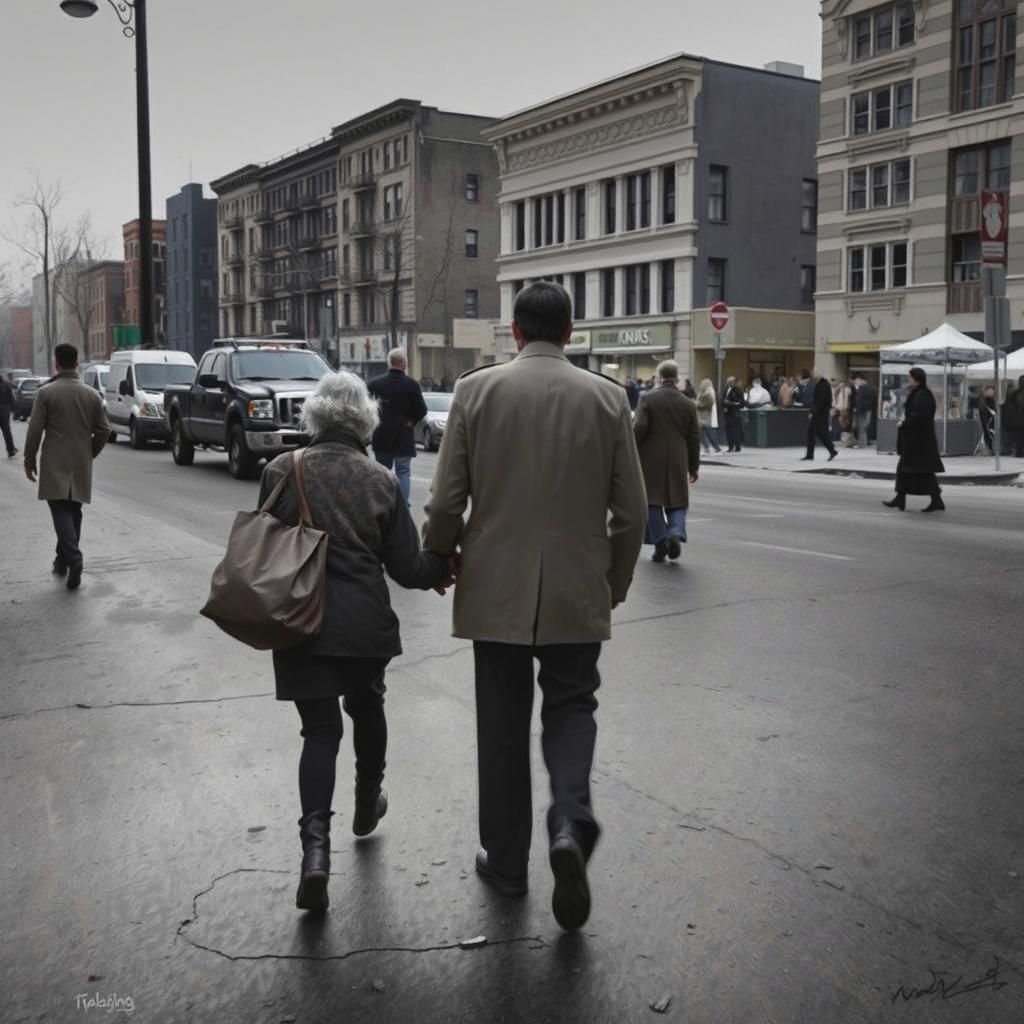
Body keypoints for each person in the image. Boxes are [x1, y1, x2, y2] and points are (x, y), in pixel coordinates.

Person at [423, 282, 646, 932]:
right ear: (570, 333)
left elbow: (445, 504)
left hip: (496, 588)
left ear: (515, 333)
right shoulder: (607, 398)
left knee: (500, 725)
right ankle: (570, 823)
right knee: (573, 708)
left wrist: (440, 555)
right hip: (579, 588)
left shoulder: (475, 391)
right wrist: (614, 584)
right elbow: (631, 513)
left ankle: (508, 861)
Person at [259, 371, 452, 913]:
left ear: (314, 417)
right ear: (365, 421)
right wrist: (444, 566)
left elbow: (268, 547)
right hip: (362, 625)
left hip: (297, 621)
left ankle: (315, 854)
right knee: (367, 707)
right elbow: (409, 567)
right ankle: (368, 800)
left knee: (319, 733)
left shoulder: (279, 470)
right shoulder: (380, 482)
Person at [23, 344, 110, 591]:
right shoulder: (92, 395)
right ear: (77, 363)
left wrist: (29, 460)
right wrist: (90, 452)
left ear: (56, 364)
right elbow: (104, 429)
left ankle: (73, 558)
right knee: (74, 510)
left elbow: (35, 430)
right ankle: (62, 560)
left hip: (54, 463)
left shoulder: (46, 393)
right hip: (81, 462)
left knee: (60, 509)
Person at [633, 361, 700, 563]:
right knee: (677, 501)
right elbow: (694, 437)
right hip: (678, 457)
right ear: (676, 377)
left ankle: (660, 540)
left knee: (651, 501)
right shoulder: (688, 403)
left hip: (650, 458)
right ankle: (675, 531)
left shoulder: (647, 399)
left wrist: (630, 448)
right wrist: (693, 465)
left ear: (659, 377)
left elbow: (639, 428)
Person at [367, 348, 428, 508]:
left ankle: (382, 505)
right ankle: (401, 507)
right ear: (404, 363)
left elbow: (366, 408)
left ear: (389, 363)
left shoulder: (374, 384)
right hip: (403, 436)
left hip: (381, 436)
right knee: (403, 473)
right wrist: (412, 420)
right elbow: (422, 409)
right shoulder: (412, 385)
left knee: (382, 473)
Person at [884, 367, 945, 512]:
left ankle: (935, 500)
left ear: (916, 379)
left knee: (923, 472)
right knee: (908, 470)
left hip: (919, 442)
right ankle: (901, 498)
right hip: (915, 441)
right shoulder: (919, 393)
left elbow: (920, 417)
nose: (908, 379)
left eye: (910, 377)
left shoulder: (923, 395)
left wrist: (904, 423)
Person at [801, 368, 838, 462]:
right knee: (811, 433)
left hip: (820, 415)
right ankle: (810, 454)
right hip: (819, 413)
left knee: (821, 433)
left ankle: (832, 450)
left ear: (818, 375)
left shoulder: (823, 385)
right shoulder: (819, 384)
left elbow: (820, 402)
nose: (812, 376)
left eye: (813, 374)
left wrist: (813, 412)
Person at [849, 373, 876, 449]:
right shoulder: (864, 388)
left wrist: (860, 408)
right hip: (862, 410)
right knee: (861, 428)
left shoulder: (865, 388)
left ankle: (862, 444)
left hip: (863, 410)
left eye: (857, 381)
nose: (856, 383)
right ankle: (862, 443)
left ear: (860, 380)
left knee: (862, 428)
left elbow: (867, 400)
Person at [696, 379, 721, 453]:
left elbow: (708, 404)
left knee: (708, 432)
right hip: (701, 415)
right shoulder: (702, 393)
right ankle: (708, 447)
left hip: (705, 415)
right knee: (702, 433)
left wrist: (696, 404)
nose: (701, 385)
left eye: (702, 384)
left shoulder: (708, 394)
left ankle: (715, 447)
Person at [1002, 375, 1024, 457]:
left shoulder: (1014, 393)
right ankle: (1020, 452)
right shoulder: (1016, 393)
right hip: (1019, 420)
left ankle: (1019, 453)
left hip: (1016, 421)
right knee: (1020, 438)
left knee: (1018, 438)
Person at [722, 376, 745, 452]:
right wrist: (724, 404)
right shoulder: (725, 389)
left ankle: (737, 446)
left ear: (734, 382)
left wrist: (731, 403)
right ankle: (730, 446)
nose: (729, 383)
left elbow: (741, 403)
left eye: (731, 382)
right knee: (728, 430)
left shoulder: (738, 390)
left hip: (735, 413)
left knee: (736, 430)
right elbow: (722, 399)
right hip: (727, 413)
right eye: (728, 382)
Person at [1, 373, 17, 457]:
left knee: (7, 432)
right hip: (4, 411)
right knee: (7, 431)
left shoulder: (6, 385)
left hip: (4, 411)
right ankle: (10, 450)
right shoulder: (6, 385)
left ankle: (11, 449)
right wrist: (15, 410)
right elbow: (11, 398)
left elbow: (11, 398)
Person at [979, 384, 996, 454]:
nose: (991, 393)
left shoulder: (992, 401)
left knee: (990, 434)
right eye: (989, 391)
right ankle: (990, 448)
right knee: (989, 434)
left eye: (992, 391)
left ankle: (991, 448)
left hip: (990, 421)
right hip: (988, 421)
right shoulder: (984, 401)